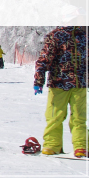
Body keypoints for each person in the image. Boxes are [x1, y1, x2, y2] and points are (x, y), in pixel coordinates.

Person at [34, 26, 86, 158]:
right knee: (64, 116)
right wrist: (38, 80)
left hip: (72, 83)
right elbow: (44, 59)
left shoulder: (81, 35)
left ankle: (76, 146)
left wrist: (39, 80)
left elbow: (44, 58)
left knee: (70, 117)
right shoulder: (60, 35)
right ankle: (60, 145)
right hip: (66, 83)